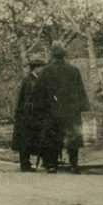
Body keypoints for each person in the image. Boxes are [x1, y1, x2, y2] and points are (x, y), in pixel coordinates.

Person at [34, 41, 89, 173]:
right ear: (64, 54)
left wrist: (40, 108)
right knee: (73, 136)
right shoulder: (73, 70)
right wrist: (83, 107)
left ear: (52, 54)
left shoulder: (46, 71)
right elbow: (80, 91)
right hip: (71, 110)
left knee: (52, 136)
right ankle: (74, 164)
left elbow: (39, 93)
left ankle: (51, 165)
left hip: (52, 110)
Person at [11, 54, 47, 172]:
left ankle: (32, 162)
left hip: (34, 115)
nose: (42, 70)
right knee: (25, 140)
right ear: (35, 68)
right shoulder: (28, 81)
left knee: (31, 139)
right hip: (27, 115)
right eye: (41, 67)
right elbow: (24, 99)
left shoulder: (37, 80)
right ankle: (25, 164)